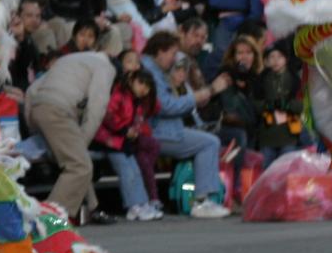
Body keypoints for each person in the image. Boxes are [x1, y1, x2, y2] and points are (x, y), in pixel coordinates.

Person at [140, 31, 232, 218]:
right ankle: (202, 201)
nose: (174, 59)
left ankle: (203, 199)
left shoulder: (155, 70)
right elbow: (166, 106)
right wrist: (207, 92)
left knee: (209, 139)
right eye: (172, 54)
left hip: (162, 128)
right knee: (209, 143)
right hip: (157, 131)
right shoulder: (150, 72)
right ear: (160, 51)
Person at [24, 47, 116, 224]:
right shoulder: (106, 67)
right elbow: (97, 108)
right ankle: (47, 219)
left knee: (76, 161)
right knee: (80, 166)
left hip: (39, 108)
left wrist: (33, 128)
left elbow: (32, 91)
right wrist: (83, 141)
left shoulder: (70, 58)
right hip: (59, 111)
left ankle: (93, 207)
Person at [93, 67, 161, 221]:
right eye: (141, 83)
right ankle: (133, 205)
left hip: (123, 142)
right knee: (127, 170)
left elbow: (144, 116)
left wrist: (133, 132)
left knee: (134, 169)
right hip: (109, 141)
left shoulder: (138, 101)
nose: (144, 88)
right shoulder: (119, 94)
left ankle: (142, 203)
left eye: (148, 86)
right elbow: (109, 116)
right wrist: (124, 130)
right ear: (131, 81)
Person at [216, 34, 263, 196]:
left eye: (248, 52)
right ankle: (235, 187)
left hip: (253, 125)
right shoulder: (226, 76)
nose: (244, 57)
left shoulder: (258, 78)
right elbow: (231, 107)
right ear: (233, 56)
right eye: (240, 53)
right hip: (228, 126)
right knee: (240, 137)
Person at [254, 44, 305, 164]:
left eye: (279, 56)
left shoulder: (295, 80)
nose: (276, 60)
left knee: (286, 170)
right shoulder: (261, 80)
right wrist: (268, 105)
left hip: (289, 134)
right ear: (266, 60)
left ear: (286, 59)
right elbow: (255, 103)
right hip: (267, 134)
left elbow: (302, 104)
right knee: (266, 170)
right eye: (272, 57)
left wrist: (287, 105)